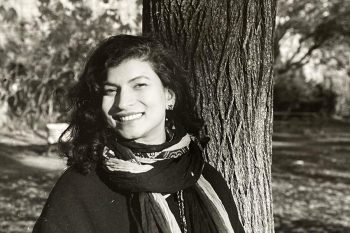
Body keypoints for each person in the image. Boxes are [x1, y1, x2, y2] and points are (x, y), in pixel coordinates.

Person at [33, 34, 245, 233]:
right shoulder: (79, 188)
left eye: (139, 85)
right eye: (110, 90)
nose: (123, 103)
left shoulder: (205, 179)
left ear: (169, 96)